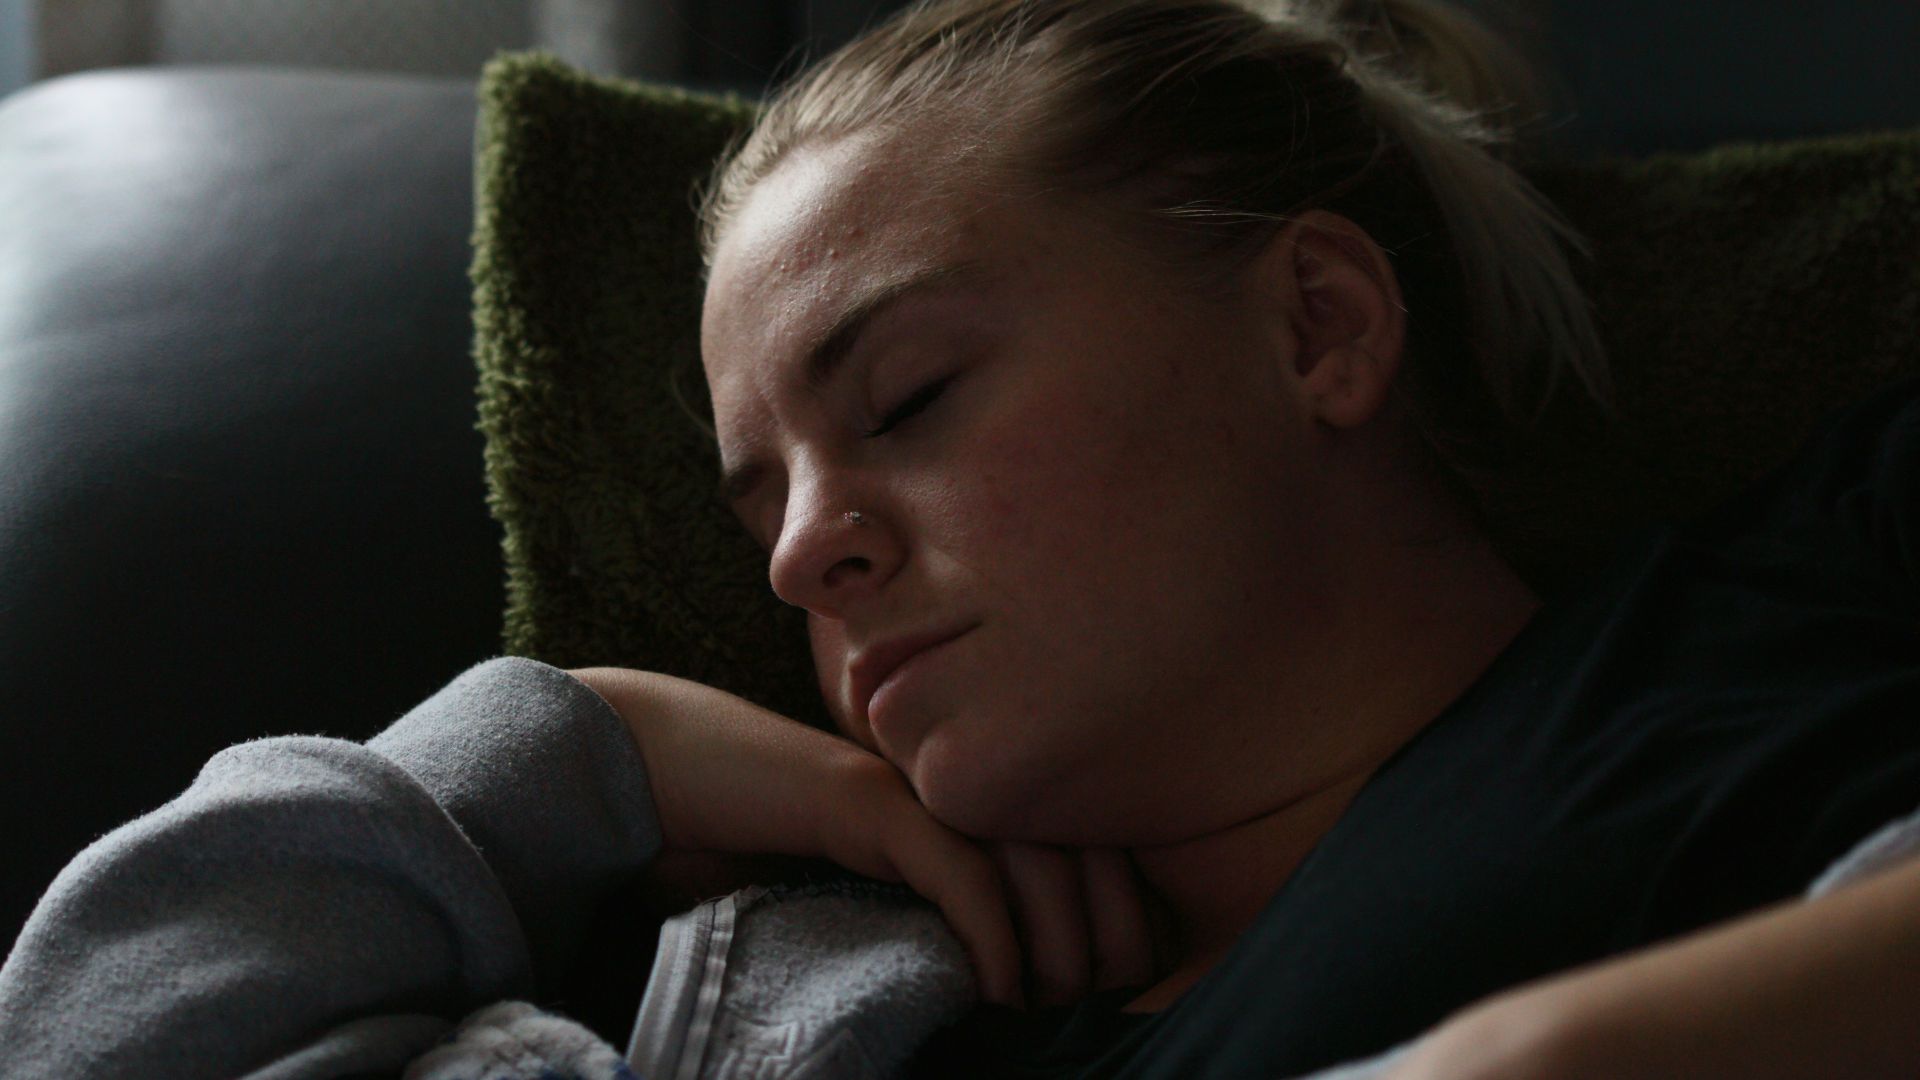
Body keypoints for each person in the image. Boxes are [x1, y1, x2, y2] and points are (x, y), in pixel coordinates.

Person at [3, 0, 1919, 1077]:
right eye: (758, 501)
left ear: (1318, 329)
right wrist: (582, 745)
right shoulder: (854, 1006)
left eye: (906, 402)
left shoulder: (1775, 615)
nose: (796, 561)